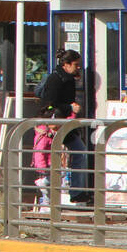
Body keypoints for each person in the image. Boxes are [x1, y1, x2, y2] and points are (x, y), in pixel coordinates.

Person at [40, 50, 93, 206]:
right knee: (56, 157)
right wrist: (70, 107)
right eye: (76, 65)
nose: (78, 68)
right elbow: (48, 104)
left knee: (79, 152)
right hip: (55, 124)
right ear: (66, 64)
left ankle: (76, 192)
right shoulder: (56, 79)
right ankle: (50, 191)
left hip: (64, 122)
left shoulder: (67, 79)